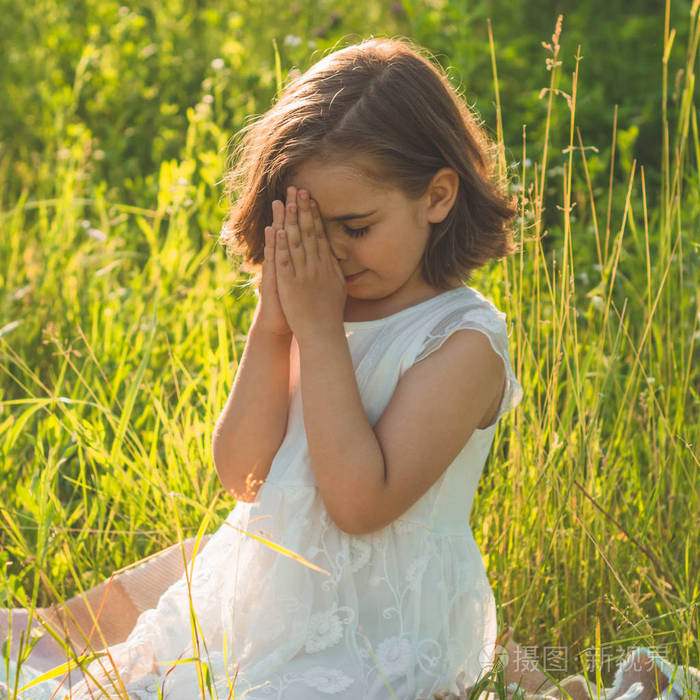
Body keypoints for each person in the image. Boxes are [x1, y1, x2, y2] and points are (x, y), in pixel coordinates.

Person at [4, 36, 696, 700]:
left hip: (383, 627)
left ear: (437, 197)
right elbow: (242, 475)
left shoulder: (462, 343)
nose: (331, 253)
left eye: (356, 226)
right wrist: (274, 326)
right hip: (269, 603)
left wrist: (315, 330)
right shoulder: (314, 308)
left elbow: (360, 504)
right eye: (309, 226)